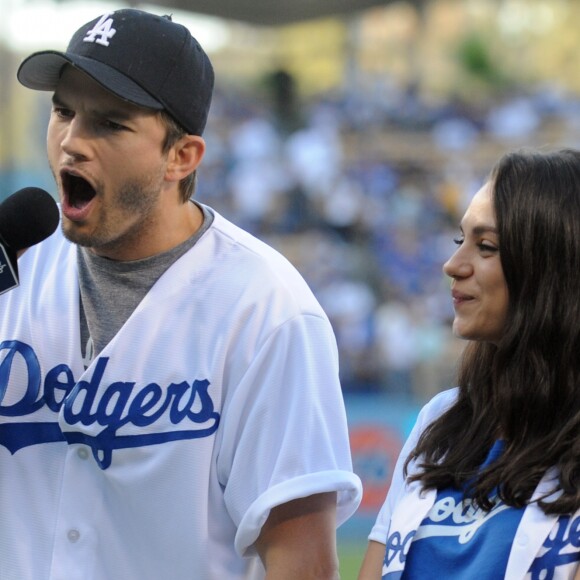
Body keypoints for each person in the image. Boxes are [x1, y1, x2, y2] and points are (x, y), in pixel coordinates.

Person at [0, 8, 362, 580]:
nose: (71, 142)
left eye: (109, 123)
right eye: (63, 111)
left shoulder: (265, 308)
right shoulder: (11, 269)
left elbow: (302, 563)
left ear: (182, 157)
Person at [358, 148, 580, 579]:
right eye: (461, 241)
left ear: (554, 267)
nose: (452, 266)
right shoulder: (439, 422)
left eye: (487, 247)